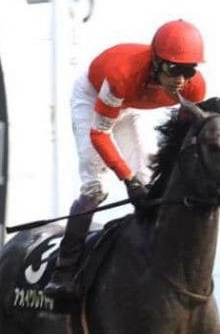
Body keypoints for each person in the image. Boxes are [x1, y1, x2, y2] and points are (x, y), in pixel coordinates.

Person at [43, 19, 207, 300]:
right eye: (173, 69)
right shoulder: (123, 74)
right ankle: (63, 272)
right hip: (94, 97)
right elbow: (99, 134)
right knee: (95, 187)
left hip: (130, 106)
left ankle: (152, 258)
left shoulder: (194, 88)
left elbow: (180, 141)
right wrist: (127, 179)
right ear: (156, 62)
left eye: (188, 70)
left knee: (149, 180)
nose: (180, 80)